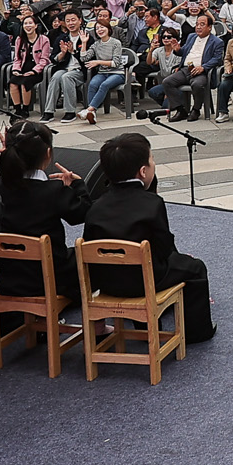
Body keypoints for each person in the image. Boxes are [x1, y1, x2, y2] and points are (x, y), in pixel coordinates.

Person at [82, 131, 216, 344]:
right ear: (143, 171)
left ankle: (145, 330)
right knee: (195, 267)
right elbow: (164, 248)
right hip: (145, 282)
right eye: (152, 160)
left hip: (106, 282)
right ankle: (197, 333)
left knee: (139, 265)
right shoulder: (152, 204)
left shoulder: (95, 207)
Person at [0, 117, 89, 299]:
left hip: (11, 276)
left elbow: (7, 178)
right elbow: (82, 214)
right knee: (83, 256)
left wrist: (7, 160)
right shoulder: (53, 190)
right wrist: (77, 186)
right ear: (48, 153)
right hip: (51, 277)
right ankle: (96, 324)